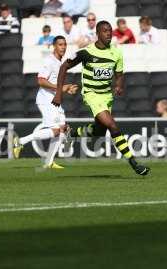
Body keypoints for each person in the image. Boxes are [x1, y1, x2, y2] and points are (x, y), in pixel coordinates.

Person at [52, 21, 150, 176]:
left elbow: (119, 74)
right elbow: (64, 67)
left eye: (110, 31)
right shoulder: (86, 52)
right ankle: (134, 163)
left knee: (99, 131)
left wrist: (119, 85)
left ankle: (71, 134)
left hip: (107, 96)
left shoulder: (116, 53)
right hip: (92, 95)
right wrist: (58, 93)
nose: (109, 33)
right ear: (97, 33)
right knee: (112, 126)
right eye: (105, 31)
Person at [13, 36, 79, 169]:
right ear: (54, 46)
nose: (63, 47)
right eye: (60, 44)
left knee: (64, 128)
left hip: (54, 100)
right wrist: (61, 88)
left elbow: (55, 83)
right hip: (46, 100)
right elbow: (41, 81)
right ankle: (20, 141)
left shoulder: (60, 62)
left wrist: (66, 89)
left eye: (65, 44)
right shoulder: (50, 61)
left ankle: (49, 162)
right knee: (56, 130)